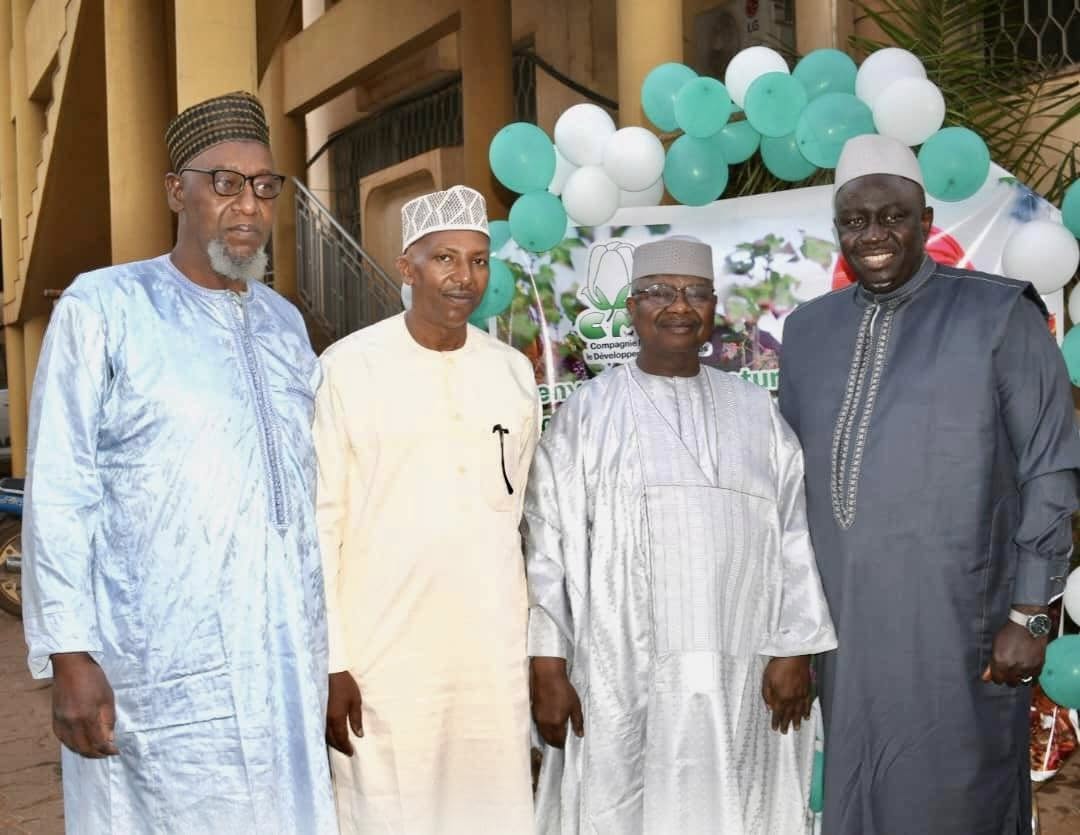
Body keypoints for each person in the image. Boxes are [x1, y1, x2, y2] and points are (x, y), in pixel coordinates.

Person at [21, 91, 337, 834]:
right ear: (177, 192)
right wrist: (69, 652)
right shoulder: (105, 308)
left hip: (282, 661)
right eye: (223, 183)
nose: (248, 205)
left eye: (264, 185)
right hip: (156, 666)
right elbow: (61, 490)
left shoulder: (286, 325)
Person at [778, 133, 1080, 835]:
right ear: (838, 230)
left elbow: (1051, 466)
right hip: (846, 637)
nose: (874, 234)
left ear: (926, 222)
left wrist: (1032, 613)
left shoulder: (999, 314)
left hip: (962, 631)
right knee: (859, 796)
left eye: (893, 217)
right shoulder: (808, 332)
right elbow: (788, 494)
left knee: (958, 800)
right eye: (856, 220)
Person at [525, 236, 838, 834]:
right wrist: (547, 665)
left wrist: (795, 644)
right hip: (622, 676)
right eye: (660, 293)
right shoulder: (585, 417)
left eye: (696, 293)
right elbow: (548, 549)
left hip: (741, 673)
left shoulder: (757, 413)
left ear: (714, 307)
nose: (679, 306)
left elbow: (794, 533)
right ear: (633, 307)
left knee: (737, 803)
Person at [314, 185, 539, 834]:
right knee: (391, 811)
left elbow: (514, 513)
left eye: (477, 259)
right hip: (383, 654)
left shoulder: (511, 373)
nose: (463, 276)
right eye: (444, 258)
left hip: (489, 651)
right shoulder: (348, 368)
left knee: (492, 808)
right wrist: (332, 660)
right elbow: (323, 523)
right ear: (407, 268)